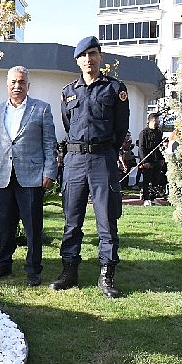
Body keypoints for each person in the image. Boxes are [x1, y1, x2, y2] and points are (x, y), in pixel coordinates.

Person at [50, 36, 129, 299]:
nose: (88, 59)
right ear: (77, 60)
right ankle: (69, 271)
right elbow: (67, 122)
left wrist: (106, 152)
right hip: (74, 161)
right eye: (83, 55)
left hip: (102, 159)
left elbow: (120, 129)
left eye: (93, 54)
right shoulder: (68, 91)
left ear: (100, 57)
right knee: (72, 220)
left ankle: (106, 275)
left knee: (106, 220)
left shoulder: (114, 89)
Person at [0, 66, 57, 286]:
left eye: (22, 82)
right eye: (13, 82)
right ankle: (3, 264)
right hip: (3, 175)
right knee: (5, 222)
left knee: (32, 226)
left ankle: (33, 269)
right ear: (7, 85)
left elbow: (49, 143)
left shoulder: (41, 109)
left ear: (28, 85)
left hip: (32, 176)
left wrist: (49, 171)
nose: (17, 86)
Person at [138, 114, 164, 206]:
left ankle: (153, 197)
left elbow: (160, 146)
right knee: (146, 180)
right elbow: (141, 148)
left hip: (157, 159)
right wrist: (145, 161)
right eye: (156, 123)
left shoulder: (159, 132)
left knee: (155, 180)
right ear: (151, 121)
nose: (157, 125)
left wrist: (161, 159)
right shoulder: (143, 133)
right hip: (148, 159)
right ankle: (146, 198)